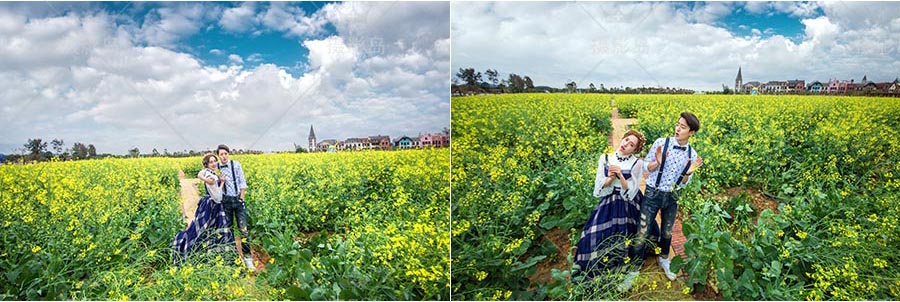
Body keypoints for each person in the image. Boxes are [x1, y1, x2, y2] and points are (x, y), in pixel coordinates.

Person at [622, 112, 704, 290]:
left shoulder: (691, 154)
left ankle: (664, 259)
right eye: (677, 124)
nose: (677, 129)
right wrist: (656, 163)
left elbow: (684, 183)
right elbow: (646, 167)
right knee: (642, 230)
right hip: (653, 193)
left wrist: (687, 173)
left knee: (667, 231)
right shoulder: (661, 143)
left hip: (672, 197)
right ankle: (634, 269)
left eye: (683, 127)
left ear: (691, 132)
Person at [574, 129, 660, 280]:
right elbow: (601, 185)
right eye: (626, 140)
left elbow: (632, 189)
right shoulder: (605, 158)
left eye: (631, 144)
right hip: (610, 199)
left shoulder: (636, 163)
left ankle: (628, 263)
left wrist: (620, 176)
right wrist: (609, 178)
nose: (626, 144)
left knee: (628, 233)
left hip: (629, 201)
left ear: (635, 149)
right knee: (594, 233)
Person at [172, 153, 235, 265]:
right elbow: (217, 197)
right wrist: (222, 183)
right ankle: (212, 255)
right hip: (213, 206)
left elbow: (200, 173)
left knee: (203, 229)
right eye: (211, 162)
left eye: (215, 161)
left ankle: (205, 253)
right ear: (207, 164)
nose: (214, 163)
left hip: (206, 203)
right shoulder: (212, 177)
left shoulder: (207, 173)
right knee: (213, 230)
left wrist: (203, 179)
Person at [217, 144, 255, 270]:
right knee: (228, 231)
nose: (224, 156)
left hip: (238, 200)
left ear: (228, 154)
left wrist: (241, 197)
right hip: (225, 202)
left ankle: (248, 259)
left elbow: (242, 181)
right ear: (218, 156)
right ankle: (233, 259)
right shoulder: (216, 168)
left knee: (243, 230)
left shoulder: (236, 164)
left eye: (225, 153)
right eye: (221, 154)